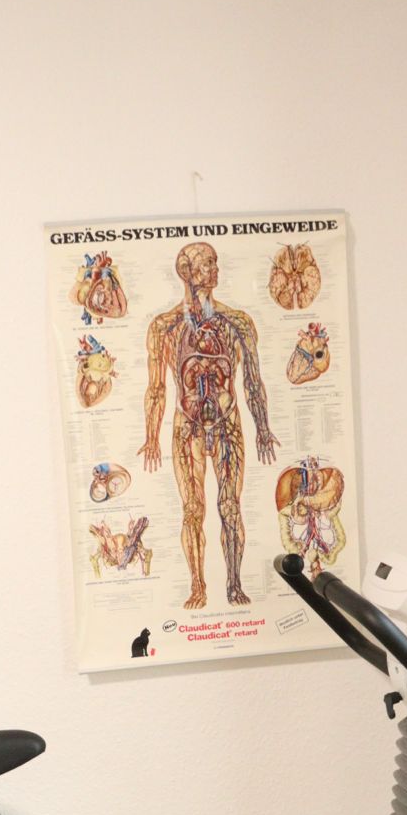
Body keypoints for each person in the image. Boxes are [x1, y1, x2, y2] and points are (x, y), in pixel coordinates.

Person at [139, 242, 278, 608]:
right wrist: (151, 436)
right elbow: (156, 388)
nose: (215, 269)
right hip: (187, 426)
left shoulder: (238, 323)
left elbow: (252, 381)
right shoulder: (164, 327)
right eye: (207, 264)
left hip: (227, 422)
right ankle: (198, 586)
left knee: (230, 506)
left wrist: (263, 427)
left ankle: (234, 584)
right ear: (187, 272)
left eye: (215, 262)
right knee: (192, 509)